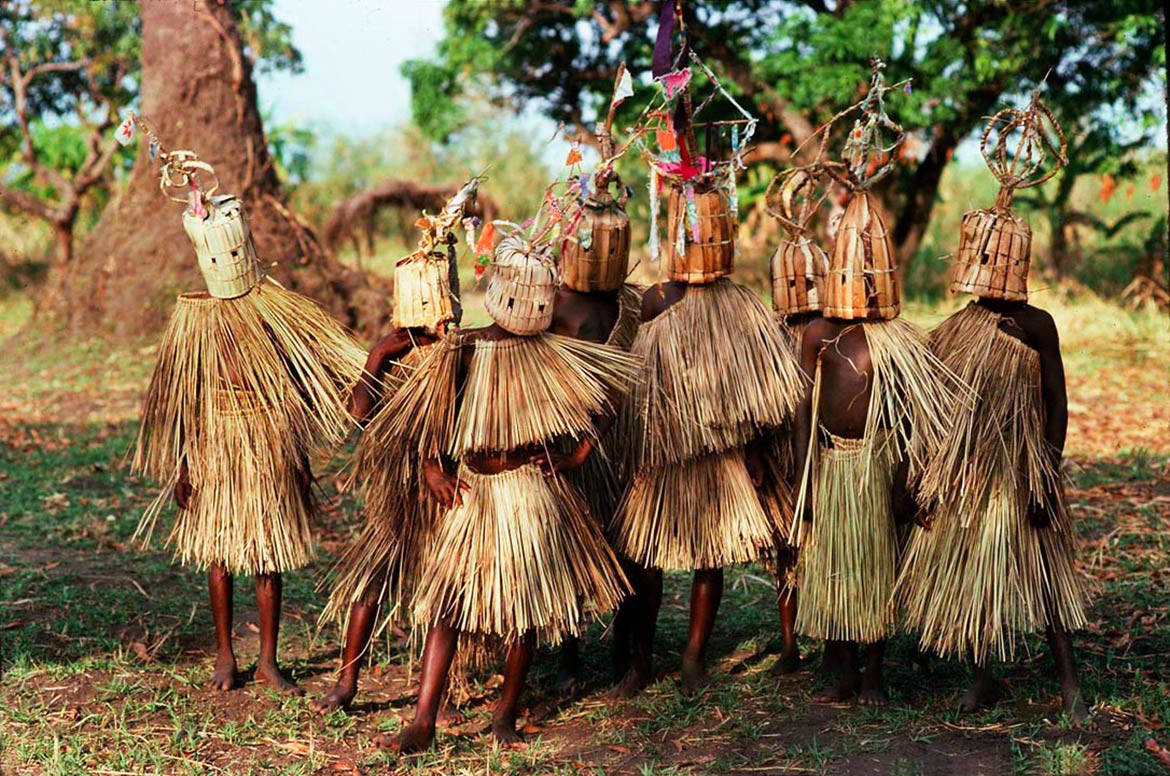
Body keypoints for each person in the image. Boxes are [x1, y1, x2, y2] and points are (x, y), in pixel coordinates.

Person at [390, 229, 637, 750]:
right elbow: (427, 414)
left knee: (522, 611)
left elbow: (610, 399)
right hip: (474, 489)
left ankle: (504, 714)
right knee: (447, 604)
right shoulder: (466, 348)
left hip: (529, 489)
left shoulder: (556, 354)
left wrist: (577, 454)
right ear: (500, 293)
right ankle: (423, 721)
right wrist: (433, 467)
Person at [132, 151, 364, 694]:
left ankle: (267, 658)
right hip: (216, 443)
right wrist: (185, 466)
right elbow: (185, 397)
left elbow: (303, 389)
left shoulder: (278, 311)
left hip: (268, 443)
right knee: (218, 553)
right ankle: (223, 655)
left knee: (267, 553)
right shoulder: (195, 321)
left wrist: (298, 457)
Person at [894, 100, 1089, 723]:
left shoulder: (1036, 326)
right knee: (980, 575)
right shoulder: (950, 332)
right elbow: (932, 417)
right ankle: (983, 678)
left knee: (1046, 579)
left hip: (1022, 470)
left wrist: (1047, 472)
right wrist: (929, 479)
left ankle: (1067, 681)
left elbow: (1056, 402)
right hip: (971, 479)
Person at [609, 159, 804, 697]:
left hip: (722, 457)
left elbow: (763, 393)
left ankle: (694, 655)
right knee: (645, 558)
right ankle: (644, 660)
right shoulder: (656, 301)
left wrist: (757, 452)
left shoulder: (740, 305)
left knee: (708, 556)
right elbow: (638, 378)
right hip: (664, 454)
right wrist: (640, 445)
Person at [313, 180, 479, 714]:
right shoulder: (391, 353)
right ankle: (346, 681)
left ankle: (447, 690)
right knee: (371, 582)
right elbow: (357, 414)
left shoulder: (467, 352)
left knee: (447, 595)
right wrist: (381, 352)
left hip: (449, 491)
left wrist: (439, 464)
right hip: (396, 494)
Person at [549, 162, 643, 688]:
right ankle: (568, 654)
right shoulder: (558, 303)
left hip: (614, 440)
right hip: (568, 436)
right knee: (570, 542)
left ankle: (626, 655)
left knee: (623, 544)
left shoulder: (629, 301)